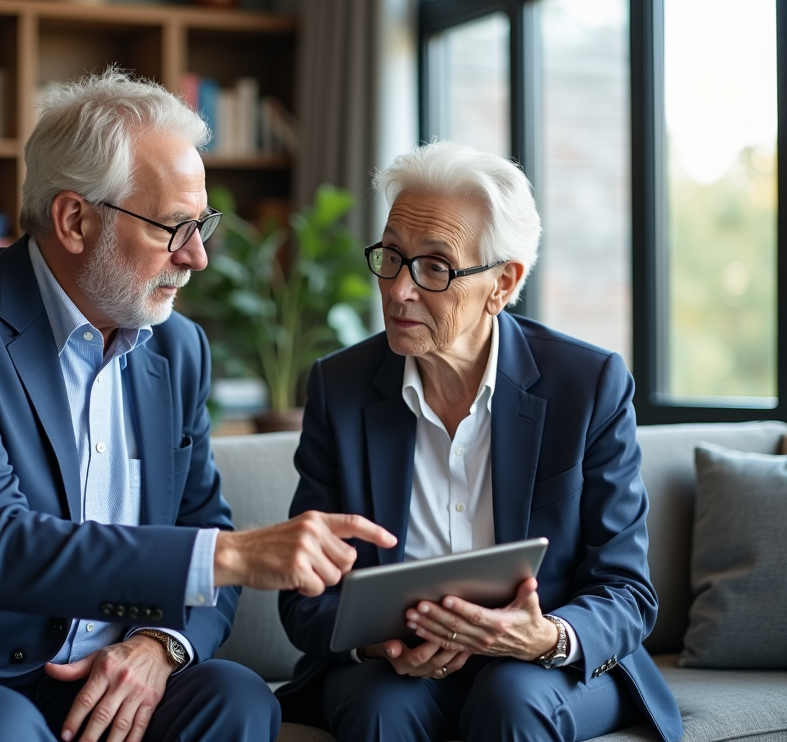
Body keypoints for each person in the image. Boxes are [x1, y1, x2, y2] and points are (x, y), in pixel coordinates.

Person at [0, 68, 395, 742]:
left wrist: (159, 646)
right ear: (74, 219)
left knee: (236, 696)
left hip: (93, 674)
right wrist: (231, 554)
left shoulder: (177, 349)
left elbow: (198, 516)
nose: (198, 257)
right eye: (174, 227)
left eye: (203, 224)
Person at [275, 141, 684, 742]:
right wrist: (379, 645)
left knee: (511, 698)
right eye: (391, 256)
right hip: (395, 665)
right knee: (379, 707)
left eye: (434, 267)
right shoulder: (340, 387)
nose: (398, 290)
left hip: (539, 663)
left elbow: (626, 587)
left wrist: (546, 637)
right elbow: (305, 595)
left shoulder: (586, 385)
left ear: (503, 284)